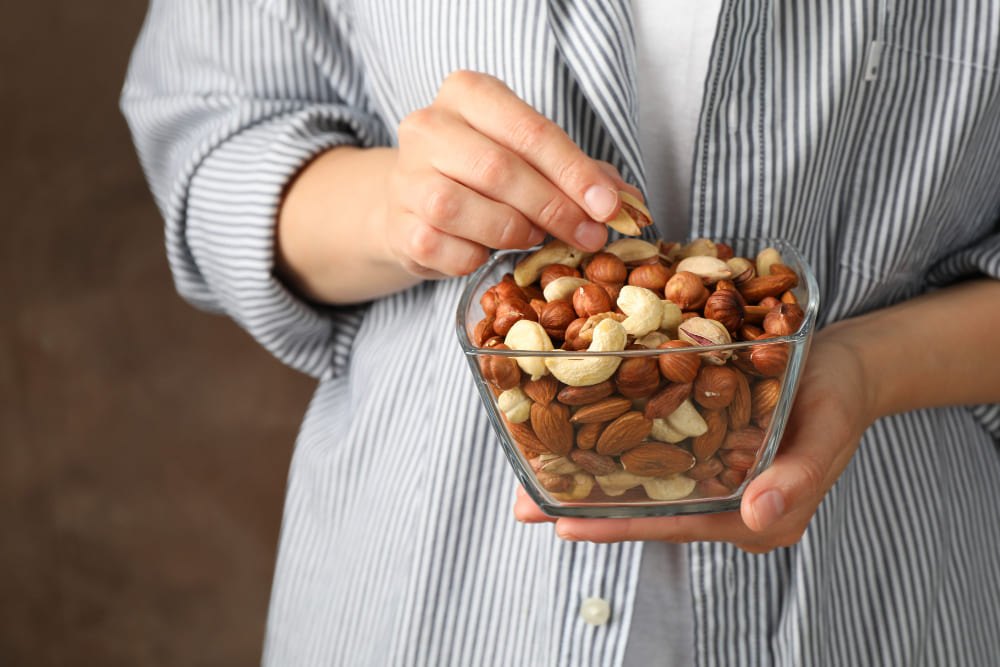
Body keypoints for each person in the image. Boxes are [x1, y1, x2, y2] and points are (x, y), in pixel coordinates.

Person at [121, 1, 1000, 665]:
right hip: (422, 594)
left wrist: (872, 369)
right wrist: (399, 208)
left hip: (883, 595)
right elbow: (209, 126)